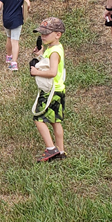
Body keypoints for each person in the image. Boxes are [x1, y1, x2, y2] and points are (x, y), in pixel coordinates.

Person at [29, 17, 67, 162]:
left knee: (39, 119)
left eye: (46, 34)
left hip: (50, 92)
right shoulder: (54, 48)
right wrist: (40, 55)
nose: (43, 36)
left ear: (58, 34)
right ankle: (61, 151)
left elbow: (52, 72)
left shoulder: (54, 52)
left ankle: (51, 149)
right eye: (42, 34)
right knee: (55, 121)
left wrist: (36, 72)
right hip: (58, 90)